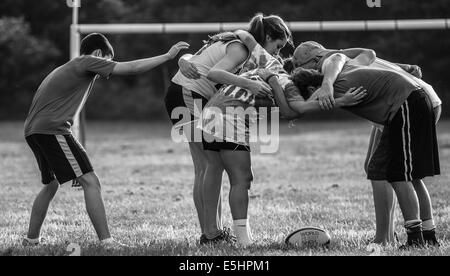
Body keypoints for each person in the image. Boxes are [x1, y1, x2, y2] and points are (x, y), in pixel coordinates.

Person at [198, 30, 366, 246]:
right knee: (241, 179)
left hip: (209, 113)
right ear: (309, 87)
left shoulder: (270, 64)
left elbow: (248, 37)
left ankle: (223, 235)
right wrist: (341, 101)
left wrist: (232, 32)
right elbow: (295, 111)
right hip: (228, 115)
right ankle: (244, 242)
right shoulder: (286, 82)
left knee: (223, 173)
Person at [22, 33, 189, 248]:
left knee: (51, 184)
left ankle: (31, 239)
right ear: (99, 54)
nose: (107, 69)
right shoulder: (86, 61)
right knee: (91, 181)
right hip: (52, 129)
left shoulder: (67, 68)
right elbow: (131, 68)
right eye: (108, 61)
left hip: (33, 130)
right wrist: (167, 56)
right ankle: (107, 243)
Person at [292, 41, 442, 245]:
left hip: (405, 101)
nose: (300, 69)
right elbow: (369, 55)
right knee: (399, 172)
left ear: (316, 60)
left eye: (301, 65)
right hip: (408, 100)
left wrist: (325, 86)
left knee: (394, 174)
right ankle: (423, 234)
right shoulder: (349, 63)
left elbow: (334, 61)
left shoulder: (331, 66)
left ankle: (406, 238)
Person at [165, 14, 291, 245]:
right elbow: (214, 73)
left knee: (206, 167)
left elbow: (199, 59)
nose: (276, 53)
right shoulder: (241, 48)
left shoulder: (236, 42)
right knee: (210, 164)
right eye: (277, 46)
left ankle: (213, 231)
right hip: (188, 95)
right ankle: (211, 233)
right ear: (269, 36)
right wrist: (249, 83)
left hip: (188, 95)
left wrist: (184, 58)